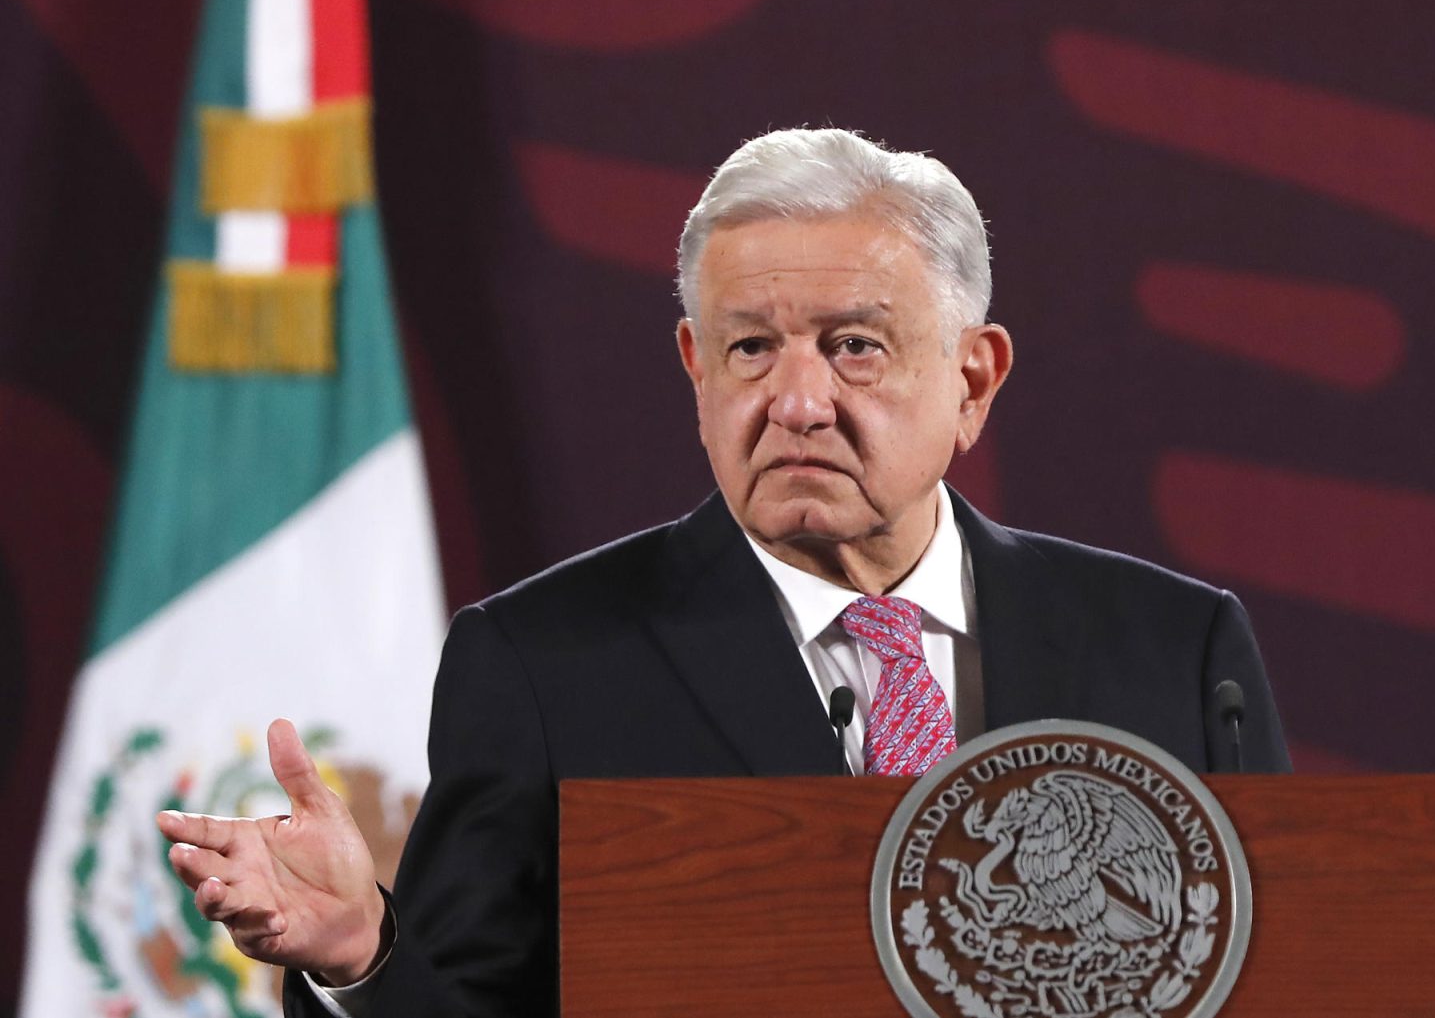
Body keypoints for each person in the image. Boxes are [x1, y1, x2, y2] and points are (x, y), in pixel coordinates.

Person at [156, 128, 1289, 1017]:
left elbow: (1292, 982)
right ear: (698, 369)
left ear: (974, 380)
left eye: (854, 344)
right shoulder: (546, 666)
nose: (796, 403)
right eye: (752, 347)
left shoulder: (1176, 653)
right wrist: (364, 955)